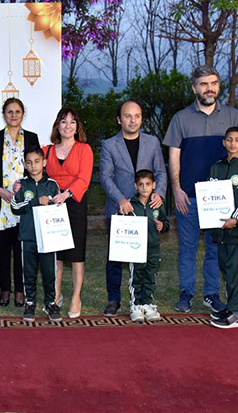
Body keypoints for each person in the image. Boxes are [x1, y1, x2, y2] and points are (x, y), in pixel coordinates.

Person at [163, 65, 238, 313]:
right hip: (189, 196)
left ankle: (211, 294)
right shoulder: (181, 118)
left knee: (214, 249)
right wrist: (176, 189)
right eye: (204, 84)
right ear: (194, 87)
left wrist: (236, 196)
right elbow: (174, 156)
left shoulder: (232, 116)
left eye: (214, 83)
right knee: (186, 249)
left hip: (220, 198)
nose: (210, 88)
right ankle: (186, 293)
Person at [100, 100, 167, 317]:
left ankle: (142, 300)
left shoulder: (152, 142)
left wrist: (160, 193)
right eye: (128, 116)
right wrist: (120, 199)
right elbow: (105, 176)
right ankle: (114, 300)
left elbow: (161, 172)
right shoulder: (110, 145)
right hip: (119, 211)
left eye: (137, 116)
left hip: (146, 210)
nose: (132, 120)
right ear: (119, 119)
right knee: (115, 259)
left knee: (145, 259)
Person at [0, 97, 40, 308]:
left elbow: (37, 167)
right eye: (9, 111)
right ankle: (5, 289)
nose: (13, 115)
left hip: (24, 203)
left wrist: (25, 192)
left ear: (22, 114)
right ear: (4, 114)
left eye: (17, 111)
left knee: (21, 248)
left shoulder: (32, 138)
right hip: (1, 202)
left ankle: (20, 290)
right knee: (2, 248)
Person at [43, 107, 93, 319]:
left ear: (77, 127)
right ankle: (55, 296)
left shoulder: (84, 149)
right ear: (57, 125)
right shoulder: (46, 150)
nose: (68, 126)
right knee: (56, 256)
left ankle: (75, 297)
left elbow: (84, 178)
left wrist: (66, 194)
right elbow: (38, 176)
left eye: (72, 122)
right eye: (64, 121)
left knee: (76, 255)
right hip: (53, 207)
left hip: (74, 205)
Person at [207, 127, 238, 330]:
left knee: (237, 270)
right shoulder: (216, 167)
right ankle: (230, 306)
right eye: (229, 139)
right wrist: (211, 219)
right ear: (224, 143)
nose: (233, 143)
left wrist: (235, 219)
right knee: (226, 268)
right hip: (220, 230)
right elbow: (209, 195)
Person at [10, 146, 63, 322]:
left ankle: (51, 303)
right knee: (29, 272)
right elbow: (15, 208)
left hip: (48, 237)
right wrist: (35, 201)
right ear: (25, 164)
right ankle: (30, 302)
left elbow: (60, 209)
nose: (33, 166)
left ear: (44, 163)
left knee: (49, 272)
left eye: (37, 161)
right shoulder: (22, 185)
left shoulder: (52, 185)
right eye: (29, 162)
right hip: (28, 237)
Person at [125, 169, 169, 323]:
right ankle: (135, 305)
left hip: (153, 248)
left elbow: (167, 223)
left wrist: (161, 225)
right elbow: (124, 226)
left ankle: (147, 304)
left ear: (154, 185)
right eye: (141, 184)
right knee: (136, 276)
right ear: (136, 186)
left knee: (150, 276)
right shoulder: (130, 205)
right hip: (135, 249)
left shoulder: (157, 204)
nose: (145, 188)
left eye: (148, 184)